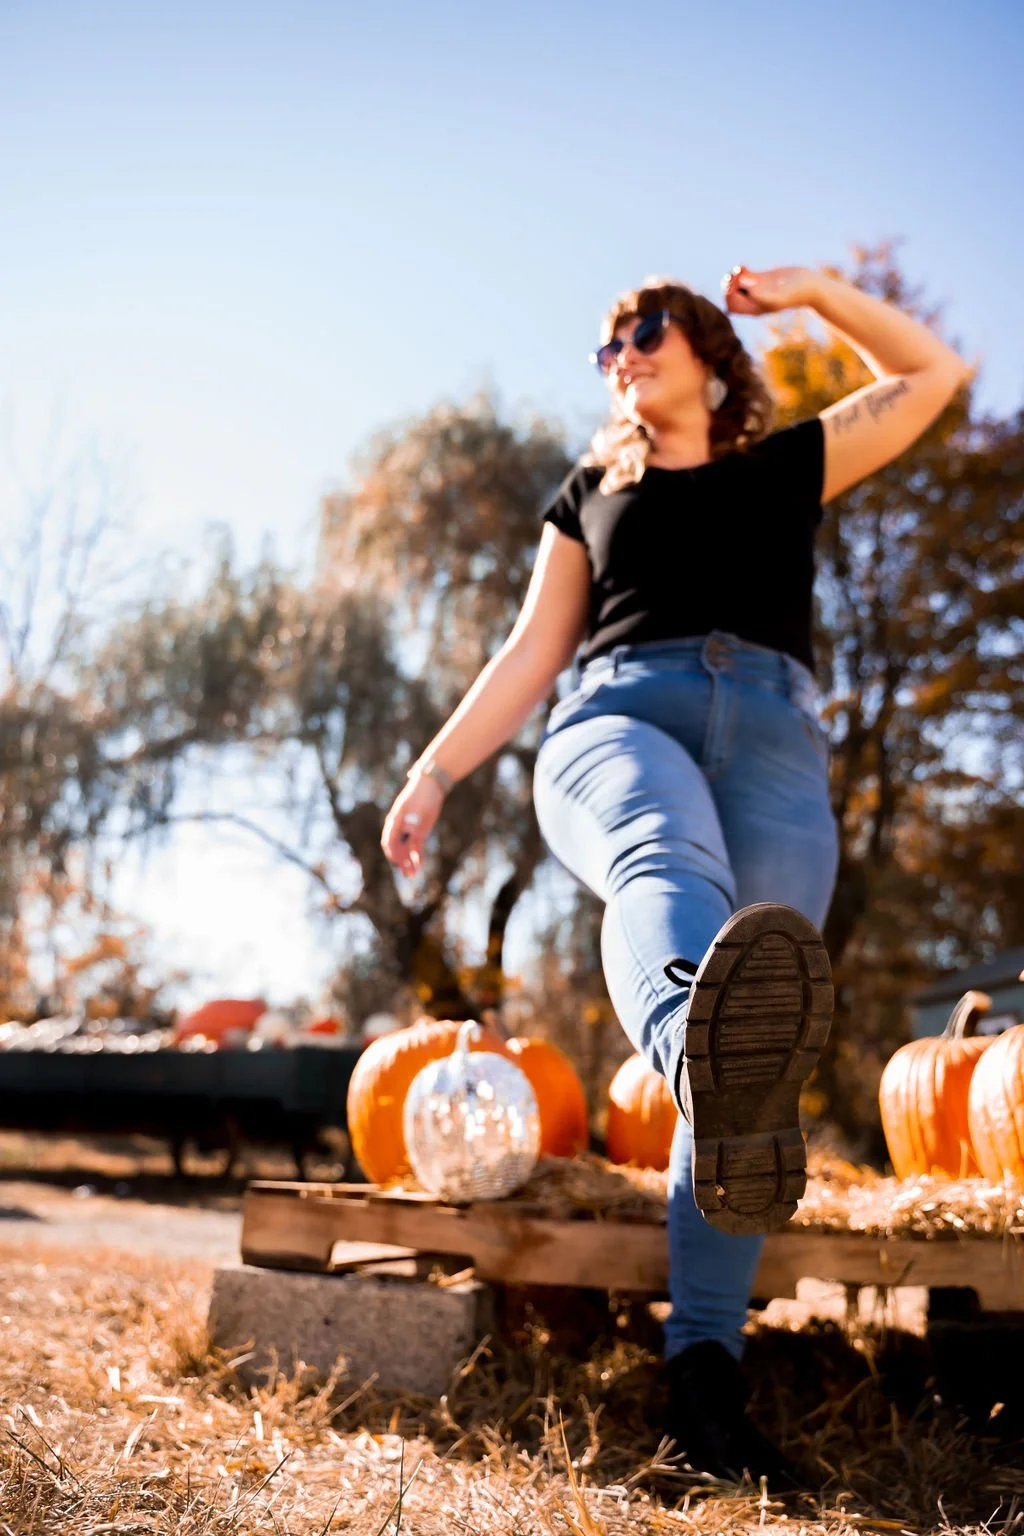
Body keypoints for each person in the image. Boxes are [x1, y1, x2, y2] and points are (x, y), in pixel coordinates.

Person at [380, 263, 969, 1485]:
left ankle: (702, 1378)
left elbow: (932, 376)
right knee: (670, 872)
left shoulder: (784, 469)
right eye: (605, 346)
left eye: (642, 330)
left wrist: (813, 292)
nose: (621, 354)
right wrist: (434, 773)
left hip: (771, 738)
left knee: (758, 1006)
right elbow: (530, 652)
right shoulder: (591, 491)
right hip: (617, 718)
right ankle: (686, 1031)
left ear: (705, 349)